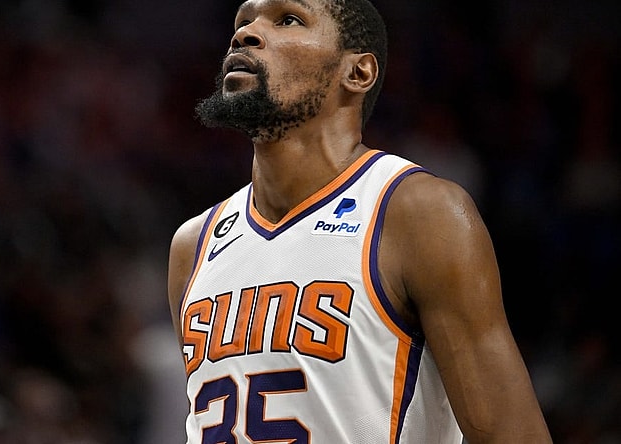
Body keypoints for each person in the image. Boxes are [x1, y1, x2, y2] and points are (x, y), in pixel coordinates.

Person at [166, 0, 553, 442]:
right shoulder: (192, 245)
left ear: (357, 73)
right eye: (242, 22)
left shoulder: (417, 213)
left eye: (287, 19)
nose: (246, 34)